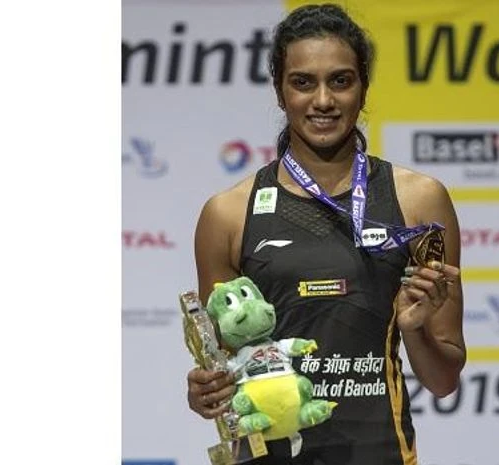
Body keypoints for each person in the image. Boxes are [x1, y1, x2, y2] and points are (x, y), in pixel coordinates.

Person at [186, 4, 465, 464]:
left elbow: (443, 380)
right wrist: (208, 392)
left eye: (340, 80)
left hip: (380, 453)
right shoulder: (228, 214)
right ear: (279, 91)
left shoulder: (419, 201)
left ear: (363, 87)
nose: (323, 100)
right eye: (302, 82)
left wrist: (415, 332)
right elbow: (228, 373)